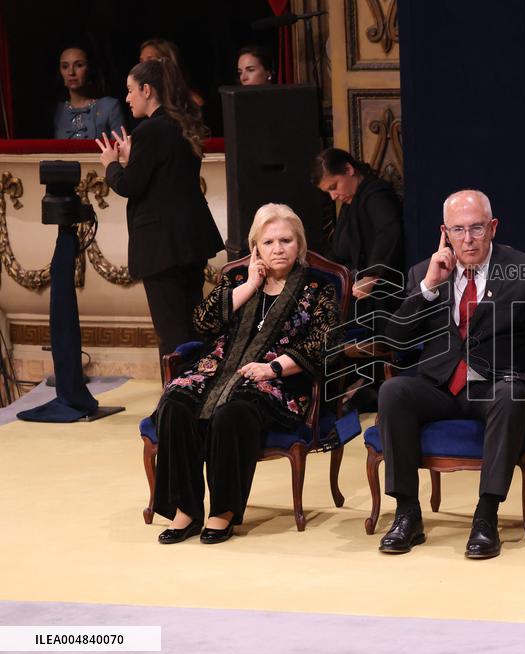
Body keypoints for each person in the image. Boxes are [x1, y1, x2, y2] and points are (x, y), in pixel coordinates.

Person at [375, 189, 525, 559]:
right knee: (394, 392)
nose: (468, 239)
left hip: (494, 385)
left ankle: (486, 516)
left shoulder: (523, 269)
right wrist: (428, 287)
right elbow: (394, 339)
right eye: (458, 230)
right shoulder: (425, 272)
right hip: (439, 385)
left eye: (476, 228)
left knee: (510, 395)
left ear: (492, 227)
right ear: (444, 233)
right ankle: (407, 514)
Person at [151, 203, 343, 544]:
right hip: (218, 369)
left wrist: (272, 368)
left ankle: (222, 512)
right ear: (256, 248)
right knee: (176, 402)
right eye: (269, 242)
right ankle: (185, 510)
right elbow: (203, 322)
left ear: (299, 244)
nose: (278, 249)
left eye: (286, 240)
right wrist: (252, 284)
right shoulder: (237, 279)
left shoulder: (318, 286)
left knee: (233, 411)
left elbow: (323, 344)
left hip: (278, 379)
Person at [96, 58, 224, 360]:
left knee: (172, 336)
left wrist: (111, 164)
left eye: (131, 90)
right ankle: (197, 386)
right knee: (192, 329)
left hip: (162, 249)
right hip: (189, 243)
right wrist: (134, 158)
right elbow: (165, 180)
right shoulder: (181, 125)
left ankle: (177, 390)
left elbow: (130, 185)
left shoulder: (149, 131)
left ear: (147, 89)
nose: (127, 98)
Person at [312, 148, 404, 411]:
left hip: (382, 296)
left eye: (334, 187)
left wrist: (372, 275)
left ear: (349, 170)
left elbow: (389, 233)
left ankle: (353, 390)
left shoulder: (376, 195)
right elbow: (338, 253)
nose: (333, 196)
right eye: (328, 192)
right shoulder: (351, 204)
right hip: (356, 293)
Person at [53, 45, 125, 140]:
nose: (71, 72)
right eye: (65, 66)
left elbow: (120, 146)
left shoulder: (110, 106)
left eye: (79, 65)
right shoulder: (57, 110)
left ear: (90, 69)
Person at [138, 38, 205, 107]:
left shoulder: (189, 100)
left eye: (149, 60)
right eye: (141, 61)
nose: (143, 66)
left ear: (166, 62)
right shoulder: (139, 97)